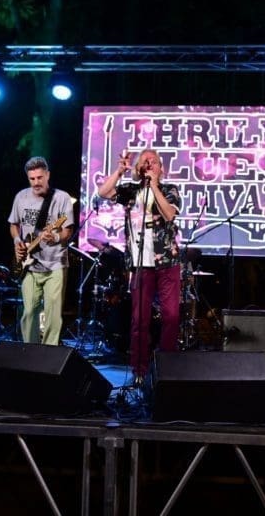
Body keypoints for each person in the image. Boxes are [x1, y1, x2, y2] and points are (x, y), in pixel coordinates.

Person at [97, 149, 181, 385]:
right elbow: (103, 193)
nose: (149, 164)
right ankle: (139, 370)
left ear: (161, 169)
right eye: (145, 161)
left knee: (171, 316)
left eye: (154, 162)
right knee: (139, 320)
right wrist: (119, 171)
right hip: (139, 263)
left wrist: (154, 185)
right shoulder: (130, 191)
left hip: (167, 262)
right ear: (138, 168)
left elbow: (169, 215)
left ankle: (166, 370)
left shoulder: (170, 190)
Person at [8, 156, 75, 345]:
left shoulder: (61, 198)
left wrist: (55, 237)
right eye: (32, 179)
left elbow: (67, 230)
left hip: (55, 263)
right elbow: (14, 225)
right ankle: (30, 351)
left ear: (48, 175)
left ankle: (49, 353)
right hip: (29, 265)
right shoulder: (21, 197)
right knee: (29, 312)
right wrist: (17, 241)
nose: (36, 182)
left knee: (52, 315)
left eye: (39, 177)